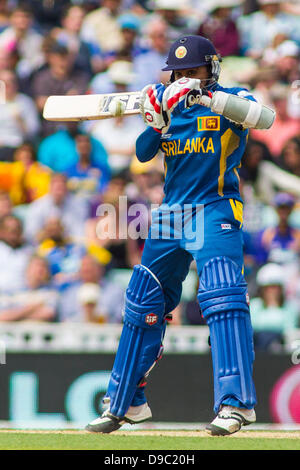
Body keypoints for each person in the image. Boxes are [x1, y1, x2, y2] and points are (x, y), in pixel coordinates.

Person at [85, 35, 275, 436]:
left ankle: (236, 404)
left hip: (217, 207)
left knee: (222, 295)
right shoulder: (166, 104)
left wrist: (207, 99)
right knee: (142, 300)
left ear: (213, 70)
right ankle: (126, 402)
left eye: (195, 71)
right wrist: (156, 120)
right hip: (170, 213)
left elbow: (265, 118)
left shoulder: (232, 97)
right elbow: (141, 152)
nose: (186, 78)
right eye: (180, 72)